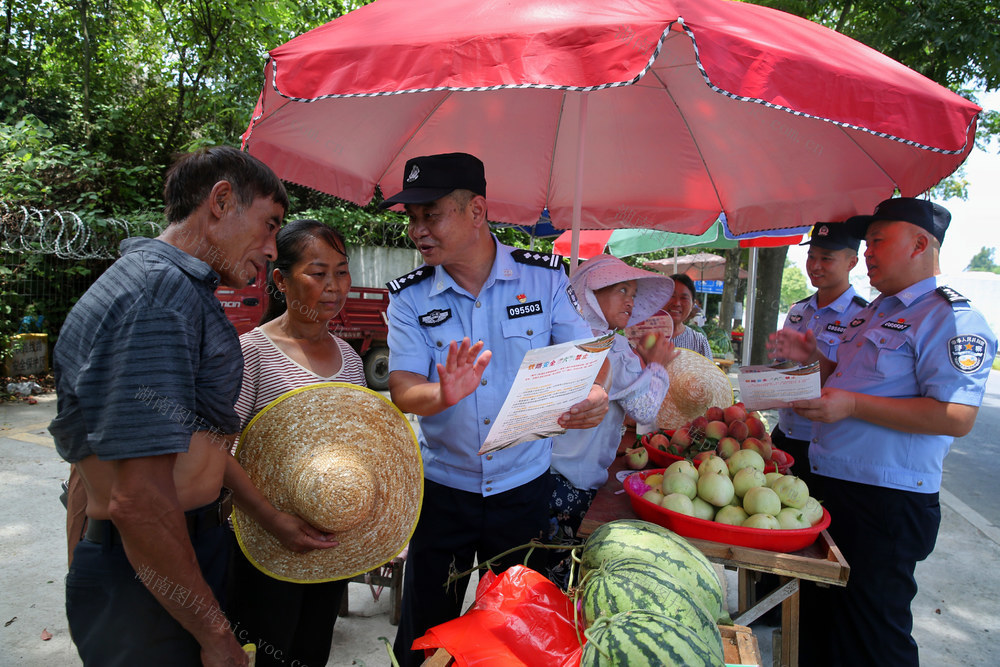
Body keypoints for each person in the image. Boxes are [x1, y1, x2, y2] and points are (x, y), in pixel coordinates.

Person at [49, 146, 334, 666]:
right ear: (221, 201)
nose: (273, 248)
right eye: (269, 225)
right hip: (151, 574)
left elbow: (192, 441)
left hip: (170, 560)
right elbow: (139, 501)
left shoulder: (173, 287)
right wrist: (215, 637)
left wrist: (269, 518)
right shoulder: (159, 295)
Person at [382, 152, 610, 666]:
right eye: (412, 219)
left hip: (523, 489)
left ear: (477, 210)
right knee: (426, 632)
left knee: (518, 633)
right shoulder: (410, 298)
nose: (418, 231)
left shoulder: (546, 279)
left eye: (431, 214)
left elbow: (592, 365)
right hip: (443, 492)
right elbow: (402, 389)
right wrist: (443, 395)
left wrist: (594, 397)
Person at [768, 197, 997, 666]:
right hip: (833, 486)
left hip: (885, 500)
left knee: (872, 635)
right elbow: (843, 378)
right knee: (818, 619)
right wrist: (813, 356)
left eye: (877, 240)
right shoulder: (871, 312)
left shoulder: (949, 317)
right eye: (867, 242)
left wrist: (852, 405)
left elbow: (956, 416)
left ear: (919, 243)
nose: (867, 252)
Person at [227, 220, 365, 667]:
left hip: (328, 544)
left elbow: (359, 445)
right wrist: (272, 519)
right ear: (281, 280)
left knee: (312, 651)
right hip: (267, 542)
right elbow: (219, 453)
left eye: (341, 272)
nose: (333, 287)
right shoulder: (253, 353)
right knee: (271, 651)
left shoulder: (348, 358)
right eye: (318, 273)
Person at [548, 255, 678, 544]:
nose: (630, 301)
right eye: (622, 290)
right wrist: (657, 365)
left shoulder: (556, 335)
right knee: (563, 571)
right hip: (577, 482)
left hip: (539, 474)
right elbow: (645, 409)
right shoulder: (615, 348)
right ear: (592, 295)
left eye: (633, 293)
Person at [771, 221, 868, 490]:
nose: (815, 265)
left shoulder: (863, 317)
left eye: (826, 258)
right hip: (783, 433)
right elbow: (784, 367)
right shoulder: (798, 311)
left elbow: (855, 384)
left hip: (824, 445)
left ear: (852, 262)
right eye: (811, 256)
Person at [660, 273, 713, 358]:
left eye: (684, 298)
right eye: (671, 296)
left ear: (693, 304)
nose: (677, 303)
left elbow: (708, 371)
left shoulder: (699, 342)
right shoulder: (642, 336)